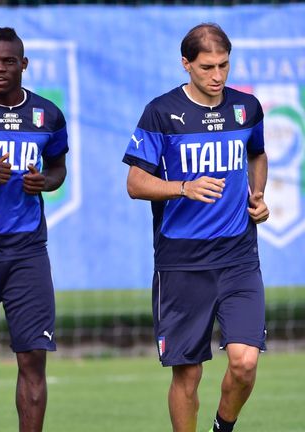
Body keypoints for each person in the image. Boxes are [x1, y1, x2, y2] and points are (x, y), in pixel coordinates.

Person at [123, 23, 269, 432]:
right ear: (185, 64)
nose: (218, 76)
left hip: (239, 257)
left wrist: (257, 195)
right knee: (187, 374)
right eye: (207, 67)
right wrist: (182, 187)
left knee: (244, 362)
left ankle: (223, 426)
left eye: (224, 65)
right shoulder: (161, 112)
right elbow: (135, 184)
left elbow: (256, 154)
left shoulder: (246, 108)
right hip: (181, 262)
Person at [0, 27, 68, 432]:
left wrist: (46, 182)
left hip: (27, 251)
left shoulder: (47, 115)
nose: (0, 68)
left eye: (9, 61)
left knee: (33, 358)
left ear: (23, 65)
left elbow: (58, 168)